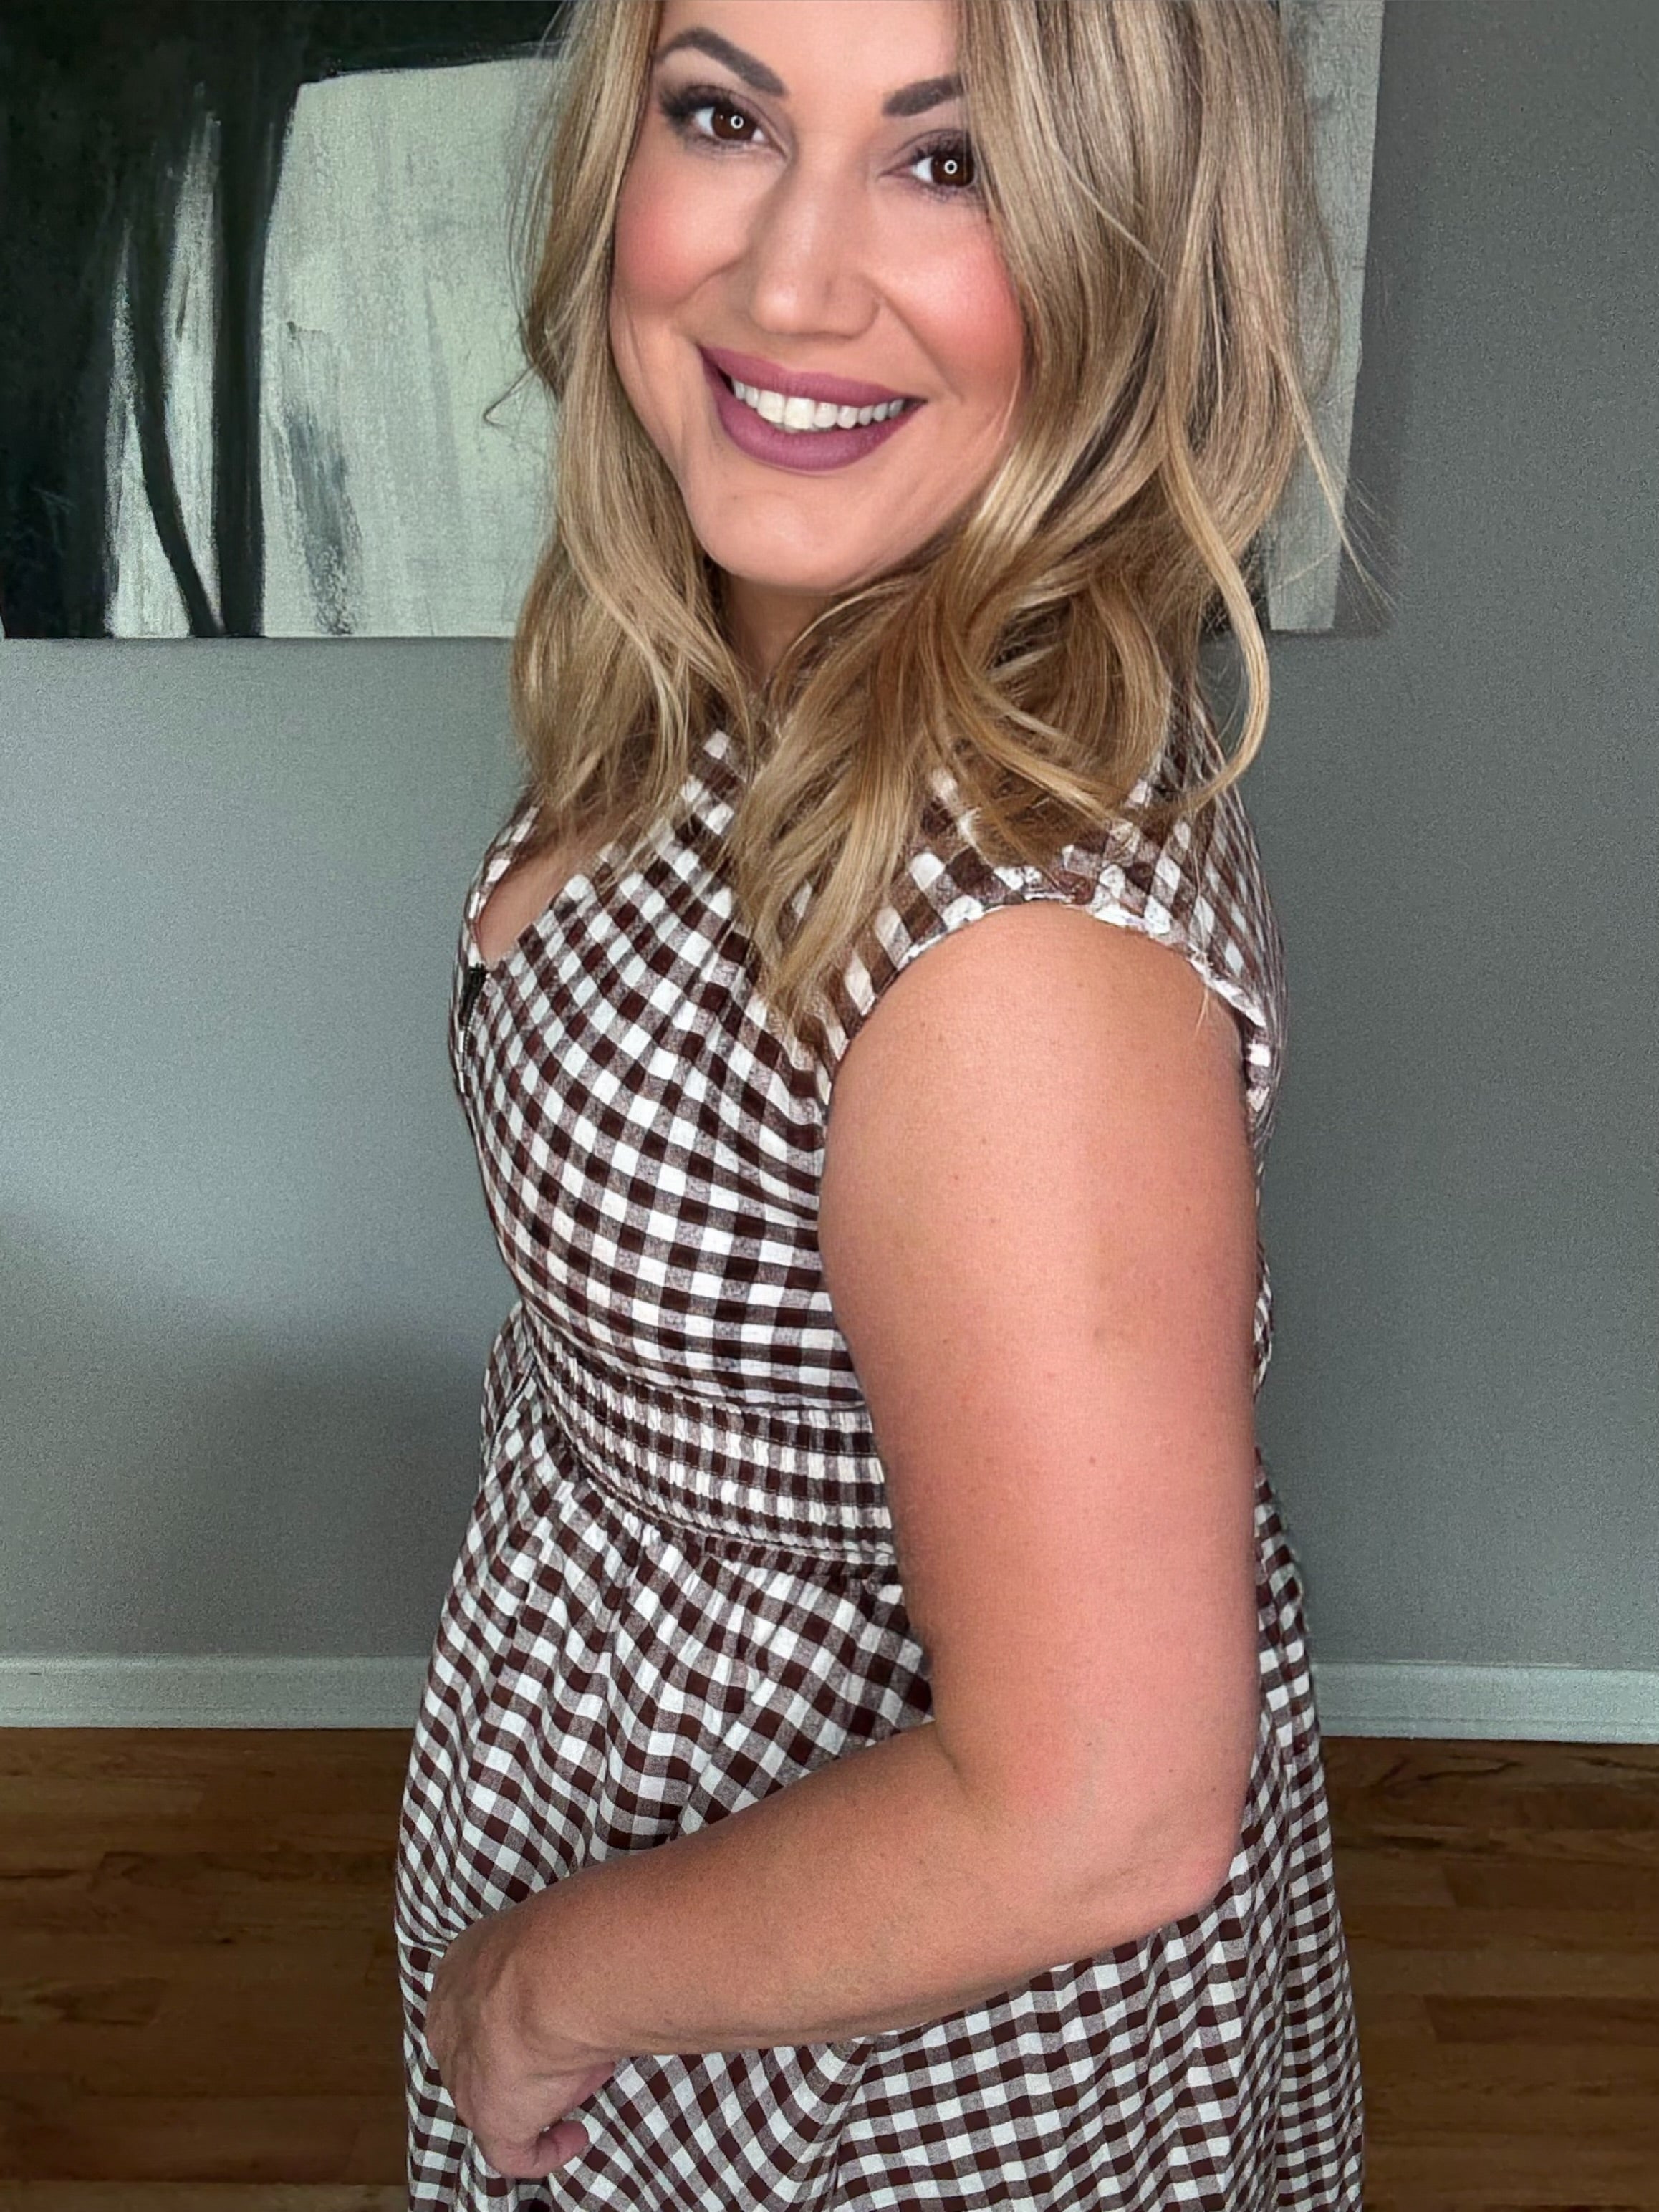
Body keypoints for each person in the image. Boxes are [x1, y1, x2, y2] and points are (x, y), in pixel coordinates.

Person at [394, 1, 1367, 2204]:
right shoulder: (750, 660)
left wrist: (540, 1991)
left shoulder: (1010, 957)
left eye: (950, 162)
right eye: (722, 115)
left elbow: (1092, 1808)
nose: (786, 278)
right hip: (646, 1829)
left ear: (1123, 247)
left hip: (857, 2048)